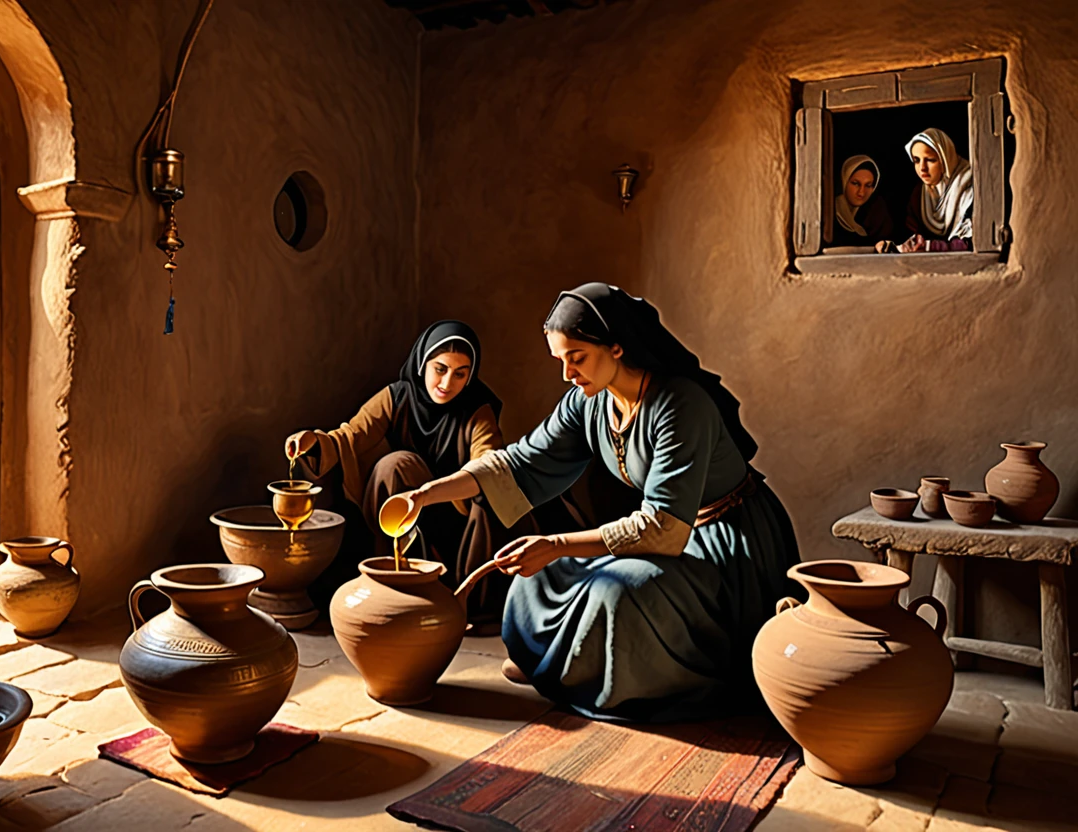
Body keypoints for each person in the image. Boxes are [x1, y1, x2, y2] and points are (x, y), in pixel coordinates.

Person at [391, 284, 801, 722]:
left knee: (618, 594)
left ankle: (612, 682)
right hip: (662, 536)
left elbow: (663, 527)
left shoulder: (681, 405)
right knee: (536, 579)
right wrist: (425, 494)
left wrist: (557, 543)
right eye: (560, 360)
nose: (567, 373)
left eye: (577, 357)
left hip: (724, 544)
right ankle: (560, 669)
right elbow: (516, 463)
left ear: (617, 347)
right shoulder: (590, 402)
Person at [285, 321, 518, 628]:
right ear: (422, 363)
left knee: (488, 492)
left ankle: (468, 602)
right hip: (400, 510)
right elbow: (352, 435)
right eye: (440, 368)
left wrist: (443, 489)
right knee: (394, 465)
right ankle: (392, 577)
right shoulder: (397, 397)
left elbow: (486, 461)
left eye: (460, 373)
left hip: (456, 517)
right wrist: (312, 441)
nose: (447, 382)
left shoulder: (477, 409)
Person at [876, 128, 973, 253]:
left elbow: (972, 243)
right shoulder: (920, 194)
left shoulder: (967, 188)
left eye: (930, 160)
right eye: (916, 160)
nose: (922, 168)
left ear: (946, 160)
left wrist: (930, 246)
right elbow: (910, 236)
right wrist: (890, 246)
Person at [832, 155, 894, 247]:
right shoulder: (829, 212)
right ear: (844, 181)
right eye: (856, 183)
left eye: (868, 185)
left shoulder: (877, 213)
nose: (861, 192)